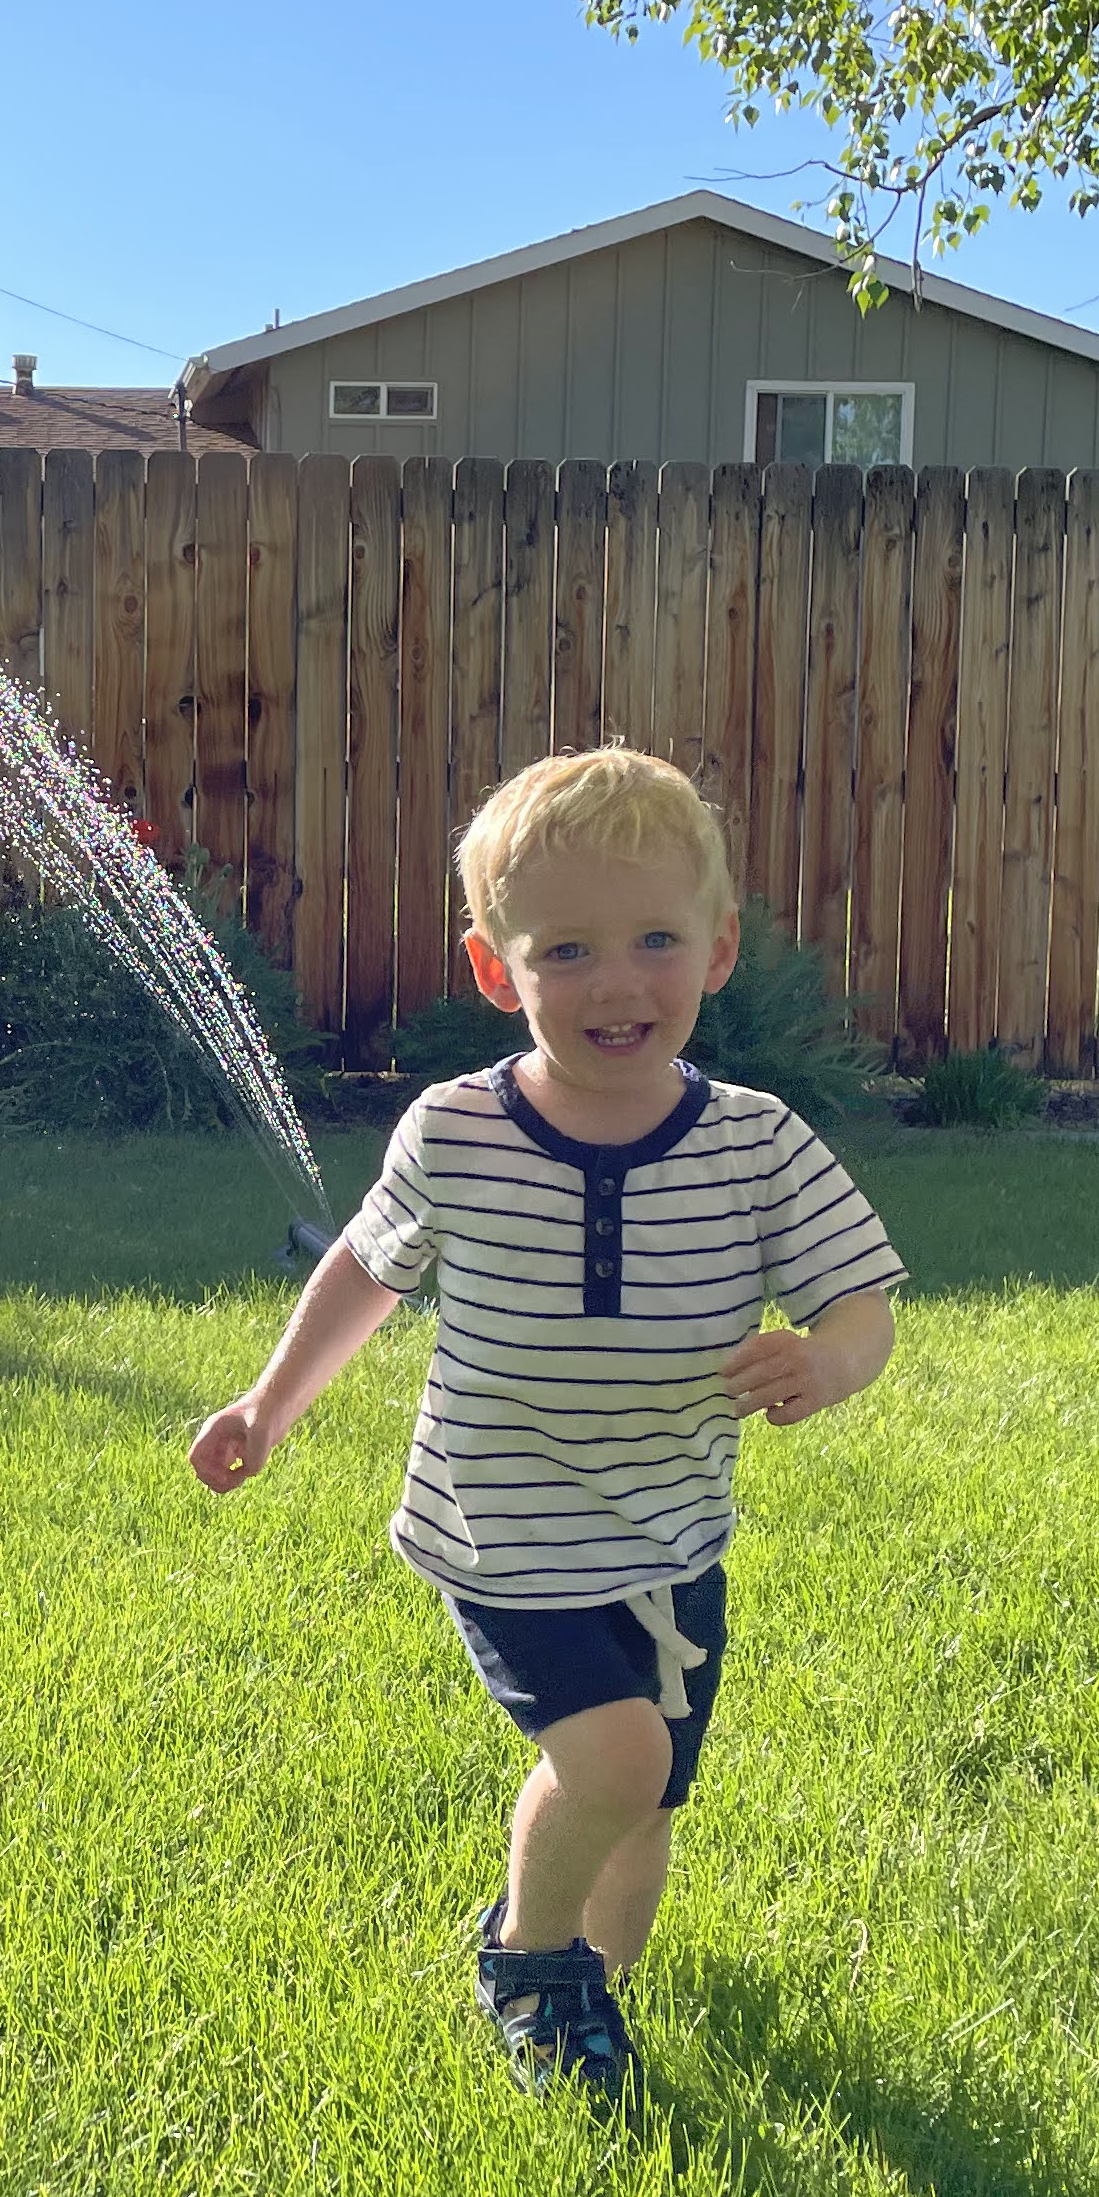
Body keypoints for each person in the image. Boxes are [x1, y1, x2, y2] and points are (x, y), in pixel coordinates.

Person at [188, 747, 902, 2098]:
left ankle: (592, 1993)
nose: (617, 983)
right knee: (616, 1759)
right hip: (507, 1526)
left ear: (720, 946)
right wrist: (269, 1405)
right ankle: (530, 1958)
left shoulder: (757, 1144)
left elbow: (859, 1300)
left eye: (654, 940)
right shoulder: (457, 1133)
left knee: (647, 1806)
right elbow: (365, 1271)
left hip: (670, 1533)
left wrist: (831, 1362)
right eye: (565, 950)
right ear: (493, 970)